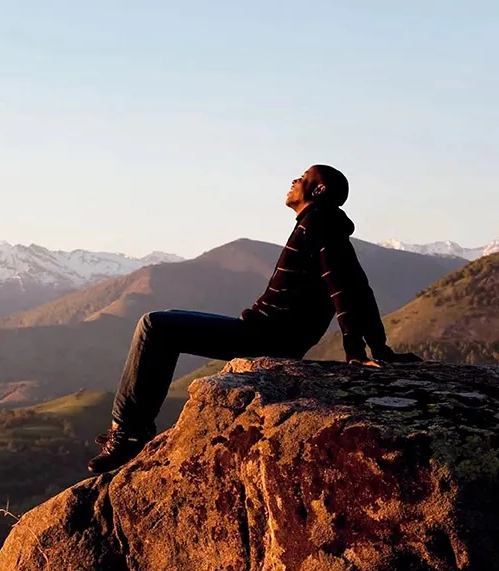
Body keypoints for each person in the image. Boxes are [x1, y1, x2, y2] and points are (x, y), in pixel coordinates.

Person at [88, 165, 422, 474]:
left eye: (303, 176)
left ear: (318, 190)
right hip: (267, 332)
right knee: (167, 322)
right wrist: (378, 346)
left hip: (265, 337)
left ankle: (129, 433)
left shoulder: (319, 224)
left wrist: (355, 351)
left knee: (155, 326)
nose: (294, 181)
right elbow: (358, 287)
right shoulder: (324, 226)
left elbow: (343, 289)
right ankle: (135, 429)